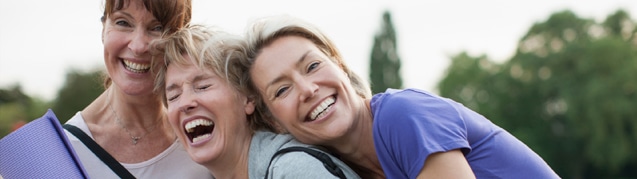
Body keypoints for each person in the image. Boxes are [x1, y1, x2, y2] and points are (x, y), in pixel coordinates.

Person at [237, 15, 561, 179]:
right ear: (272, 120)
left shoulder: (403, 115)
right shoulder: (338, 168)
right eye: (282, 89)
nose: (307, 89)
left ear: (339, 65)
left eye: (312, 66)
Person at [151, 24, 361, 178]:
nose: (185, 102)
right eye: (174, 96)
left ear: (248, 98)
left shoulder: (291, 170)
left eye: (203, 86)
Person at [63, 0, 212, 178]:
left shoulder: (208, 134)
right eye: (123, 23)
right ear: (104, 29)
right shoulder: (62, 151)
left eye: (157, 27)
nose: (138, 46)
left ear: (181, 39)